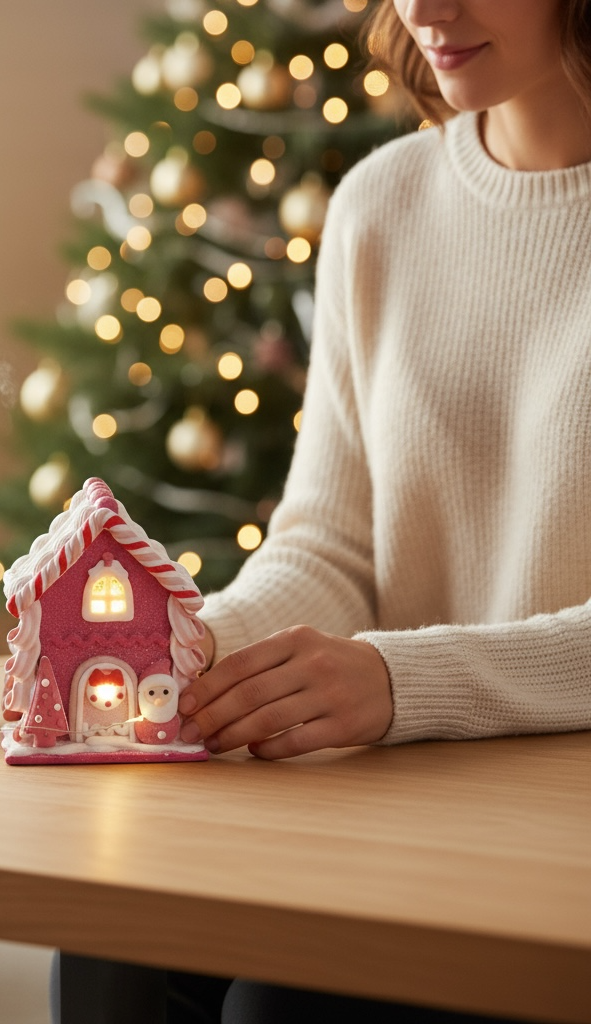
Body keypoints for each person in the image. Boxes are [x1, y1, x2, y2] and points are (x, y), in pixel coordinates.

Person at [55, 0, 591, 1020]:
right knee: (109, 944)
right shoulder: (379, 203)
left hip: (557, 828)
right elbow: (330, 544)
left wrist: (399, 681)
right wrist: (195, 646)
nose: (424, 9)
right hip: (408, 798)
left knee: (283, 1004)